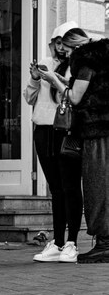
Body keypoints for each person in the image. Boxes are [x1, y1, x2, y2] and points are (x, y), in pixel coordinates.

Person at [39, 28, 109, 264]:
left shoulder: (87, 61)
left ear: (74, 46)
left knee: (96, 186)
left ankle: (105, 243)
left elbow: (76, 97)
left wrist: (53, 81)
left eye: (67, 50)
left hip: (96, 131)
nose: (66, 55)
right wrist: (59, 79)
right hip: (102, 129)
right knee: (100, 185)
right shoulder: (99, 58)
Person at [23, 21, 83, 263]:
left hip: (66, 131)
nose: (59, 48)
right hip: (43, 131)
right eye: (56, 42)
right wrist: (36, 78)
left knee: (70, 187)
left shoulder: (78, 65)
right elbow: (29, 98)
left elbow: (74, 96)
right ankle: (57, 242)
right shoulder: (45, 62)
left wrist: (55, 79)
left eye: (63, 43)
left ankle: (72, 243)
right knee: (55, 190)